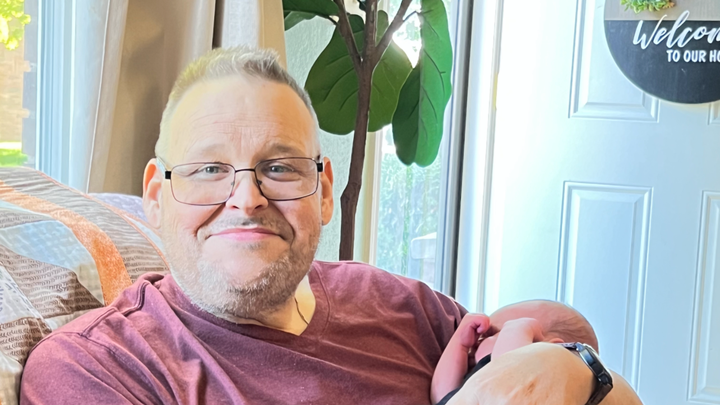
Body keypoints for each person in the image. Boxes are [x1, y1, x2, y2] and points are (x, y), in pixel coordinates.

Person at [19, 46, 643, 404]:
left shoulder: (407, 309)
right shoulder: (97, 370)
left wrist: (576, 368)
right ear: (156, 196)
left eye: (279, 168)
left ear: (322, 190)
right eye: (210, 169)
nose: (246, 199)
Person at [432, 300, 599, 404]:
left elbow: (509, 372)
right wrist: (459, 343)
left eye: (492, 334)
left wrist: (520, 327)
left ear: (550, 350)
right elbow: (442, 396)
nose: (476, 341)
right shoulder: (476, 385)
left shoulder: (532, 389)